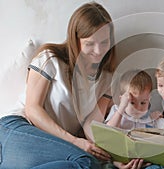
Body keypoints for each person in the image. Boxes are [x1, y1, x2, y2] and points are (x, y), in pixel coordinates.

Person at [0, 2, 116, 168]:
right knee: (85, 162)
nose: (98, 51)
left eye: (104, 42)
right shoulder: (51, 59)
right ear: (75, 40)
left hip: (55, 145)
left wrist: (113, 157)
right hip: (19, 127)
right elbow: (32, 109)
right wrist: (75, 142)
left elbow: (91, 125)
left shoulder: (107, 79)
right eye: (90, 43)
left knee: (96, 163)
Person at [105, 69, 164, 169]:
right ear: (122, 99)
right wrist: (121, 108)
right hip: (118, 160)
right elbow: (108, 131)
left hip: (143, 160)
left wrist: (155, 119)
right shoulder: (117, 111)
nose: (138, 108)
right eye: (132, 103)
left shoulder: (148, 116)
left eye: (143, 103)